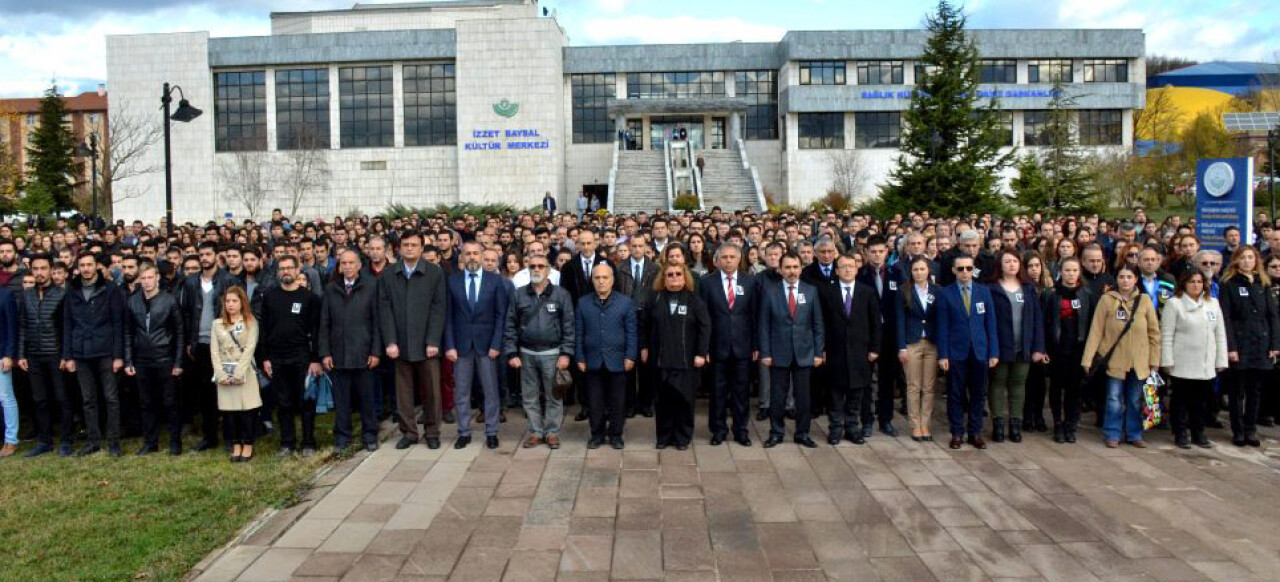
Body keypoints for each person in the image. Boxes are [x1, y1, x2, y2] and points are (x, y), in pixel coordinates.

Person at [379, 231, 447, 450]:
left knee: (432, 392)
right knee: (403, 393)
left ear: (421, 248)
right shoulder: (389, 275)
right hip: (400, 344)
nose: (409, 248)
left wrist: (433, 341)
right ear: (399, 248)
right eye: (405, 245)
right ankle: (408, 432)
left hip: (427, 344)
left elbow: (439, 309)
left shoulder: (434, 273)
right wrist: (390, 341)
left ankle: (432, 432)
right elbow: (385, 309)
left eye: (414, 245)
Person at [1082, 266, 1160, 448]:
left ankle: (1134, 433)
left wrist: (1155, 360)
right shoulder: (1106, 300)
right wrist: (1088, 359)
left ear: (1135, 279)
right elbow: (1096, 331)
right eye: (1121, 277)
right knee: (1113, 399)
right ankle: (1112, 433)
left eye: (1129, 277)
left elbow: (1154, 332)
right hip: (1114, 360)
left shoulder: (1144, 300)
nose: (1125, 280)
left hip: (1139, 360)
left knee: (1135, 399)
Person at [504, 253, 574, 449]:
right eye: (532, 266)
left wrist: (566, 353)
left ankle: (552, 432)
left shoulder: (561, 295)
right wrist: (511, 353)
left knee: (554, 396)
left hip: (552, 353)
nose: (536, 269)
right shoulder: (518, 295)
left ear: (548, 270)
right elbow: (510, 325)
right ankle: (535, 431)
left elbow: (569, 326)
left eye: (540, 266)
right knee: (529, 396)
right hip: (526, 354)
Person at [444, 241, 510, 450]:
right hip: (461, 346)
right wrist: (450, 345)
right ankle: (464, 431)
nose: (472, 257)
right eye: (467, 254)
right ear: (461, 256)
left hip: (488, 345)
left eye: (475, 253)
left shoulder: (495, 281)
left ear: (482, 256)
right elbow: (448, 318)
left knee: (490, 391)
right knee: (461, 391)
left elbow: (501, 316)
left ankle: (491, 431)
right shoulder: (452, 281)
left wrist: (496, 344)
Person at [258, 255, 323, 458]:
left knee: (306, 402)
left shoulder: (310, 298)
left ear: (298, 270)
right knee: (283, 402)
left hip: (302, 357)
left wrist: (315, 359)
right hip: (277, 357)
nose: (285, 271)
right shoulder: (269, 296)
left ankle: (308, 442)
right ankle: (287, 443)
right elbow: (264, 329)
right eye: (282, 268)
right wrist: (265, 357)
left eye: (289, 268)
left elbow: (317, 330)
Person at [64, 252, 126, 457]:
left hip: (106, 352)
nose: (86, 269)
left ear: (96, 266)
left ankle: (114, 442)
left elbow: (118, 323)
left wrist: (118, 356)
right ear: (78, 267)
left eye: (89, 265)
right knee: (88, 399)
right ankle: (93, 441)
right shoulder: (71, 289)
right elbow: (67, 324)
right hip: (81, 353)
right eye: (82, 265)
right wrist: (69, 356)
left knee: (111, 398)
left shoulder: (110, 289)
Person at [759, 252, 825, 448]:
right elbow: (763, 325)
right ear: (779, 269)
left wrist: (818, 352)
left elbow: (818, 324)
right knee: (777, 397)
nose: (792, 271)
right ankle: (776, 432)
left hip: (805, 353)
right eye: (787, 267)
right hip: (778, 353)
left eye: (795, 267)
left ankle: (802, 433)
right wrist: (765, 353)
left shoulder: (811, 291)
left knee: (804, 398)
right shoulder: (770, 291)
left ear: (801, 268)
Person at [319, 249, 382, 453]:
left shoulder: (371, 286)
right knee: (342, 400)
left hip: (364, 353)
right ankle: (342, 436)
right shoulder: (330, 289)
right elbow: (325, 324)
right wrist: (325, 353)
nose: (347, 266)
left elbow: (377, 323)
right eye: (343, 263)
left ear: (359, 265)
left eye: (351, 263)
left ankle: (369, 434)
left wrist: (375, 352)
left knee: (367, 398)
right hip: (338, 354)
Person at [641, 263, 710, 450]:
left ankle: (682, 437)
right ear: (663, 278)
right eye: (669, 275)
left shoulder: (694, 300)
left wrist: (701, 353)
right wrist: (644, 347)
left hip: (686, 361)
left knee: (685, 401)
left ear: (685, 277)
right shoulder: (654, 298)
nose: (674, 278)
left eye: (678, 274)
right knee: (663, 401)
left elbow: (705, 328)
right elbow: (645, 325)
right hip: (661, 360)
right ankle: (663, 436)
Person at [1217, 246, 1280, 447]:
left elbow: (1272, 317)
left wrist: (1274, 344)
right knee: (1237, 391)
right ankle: (1238, 429)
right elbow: (1225, 317)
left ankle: (1251, 428)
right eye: (1242, 258)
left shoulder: (1263, 283)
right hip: (1239, 344)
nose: (1246, 261)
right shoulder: (1228, 284)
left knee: (1255, 391)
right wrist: (1231, 347)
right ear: (1236, 260)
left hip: (1260, 344)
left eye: (1250, 257)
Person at [179, 241, 239, 451]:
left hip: (224, 343)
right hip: (201, 344)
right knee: (206, 394)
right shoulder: (191, 282)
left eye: (208, 254)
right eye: (201, 254)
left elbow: (237, 311)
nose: (204, 258)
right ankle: (209, 437)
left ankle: (231, 438)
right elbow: (186, 313)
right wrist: (189, 341)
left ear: (216, 256)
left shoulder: (229, 280)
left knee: (227, 391)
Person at [936, 254, 998, 450]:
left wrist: (993, 352)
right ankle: (957, 432)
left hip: (980, 351)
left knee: (978, 394)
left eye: (969, 268)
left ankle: (975, 432)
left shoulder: (984, 292)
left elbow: (991, 325)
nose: (965, 272)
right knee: (955, 394)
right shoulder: (945, 294)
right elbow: (942, 327)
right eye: (961, 268)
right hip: (956, 352)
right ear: (954, 270)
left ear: (974, 270)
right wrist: (943, 355)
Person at [698, 242, 757, 447]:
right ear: (717, 260)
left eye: (732, 257)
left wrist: (756, 346)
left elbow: (754, 316)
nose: (729, 261)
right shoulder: (706, 283)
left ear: (739, 259)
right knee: (717, 392)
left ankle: (741, 431)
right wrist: (703, 348)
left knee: (741, 393)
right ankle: (718, 430)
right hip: (717, 347)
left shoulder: (750, 283)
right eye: (724, 257)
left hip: (743, 346)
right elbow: (703, 319)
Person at [1160, 271, 1227, 449]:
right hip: (1182, 361)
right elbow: (1167, 334)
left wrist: (1221, 360)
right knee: (1181, 400)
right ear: (1184, 284)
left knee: (1201, 401)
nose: (1196, 285)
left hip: (1206, 362)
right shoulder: (1174, 304)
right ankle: (1180, 433)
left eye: (1199, 282)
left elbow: (1220, 334)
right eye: (1192, 282)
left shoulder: (1213, 303)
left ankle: (1198, 432)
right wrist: (1167, 360)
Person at [819, 253, 880, 445]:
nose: (847, 270)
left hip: (860, 352)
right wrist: (821, 349)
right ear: (836, 271)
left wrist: (875, 349)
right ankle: (836, 428)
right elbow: (820, 323)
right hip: (834, 351)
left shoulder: (867, 292)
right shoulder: (826, 291)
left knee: (856, 393)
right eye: (843, 266)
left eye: (851, 266)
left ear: (857, 269)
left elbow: (876, 323)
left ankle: (852, 428)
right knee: (835, 393)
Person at [123, 263, 184, 456]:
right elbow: (128, 333)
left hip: (164, 358)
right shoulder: (133, 301)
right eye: (144, 278)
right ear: (139, 280)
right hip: (142, 359)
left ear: (157, 278)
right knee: (146, 402)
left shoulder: (169, 300)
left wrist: (178, 362)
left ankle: (175, 442)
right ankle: (150, 442)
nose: (147, 282)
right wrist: (128, 360)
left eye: (150, 277)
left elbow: (180, 333)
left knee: (170, 401)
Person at [986, 250, 1047, 443]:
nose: (1012, 264)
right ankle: (998, 424)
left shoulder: (1028, 288)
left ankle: (1015, 424)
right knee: (998, 383)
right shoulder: (992, 288)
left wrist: (1039, 347)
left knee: (1018, 385)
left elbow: (1037, 319)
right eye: (1007, 261)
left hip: (1024, 347)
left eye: (1015, 261)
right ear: (1000, 265)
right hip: (1001, 346)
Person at [575, 263, 637, 450]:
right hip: (592, 360)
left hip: (618, 360)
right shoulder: (583, 303)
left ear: (612, 280)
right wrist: (579, 357)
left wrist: (630, 356)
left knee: (618, 401)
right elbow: (579, 332)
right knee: (595, 401)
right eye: (597, 278)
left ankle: (616, 434)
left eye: (605, 277)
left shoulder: (625, 303)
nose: (601, 281)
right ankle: (597, 434)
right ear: (592, 280)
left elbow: (632, 333)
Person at [17, 254, 70, 457]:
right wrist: (21, 354)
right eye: (35, 269)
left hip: (56, 354)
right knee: (39, 399)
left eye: (43, 268)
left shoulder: (61, 294)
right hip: (33, 355)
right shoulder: (26, 295)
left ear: (51, 270)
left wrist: (66, 355)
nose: (39, 273)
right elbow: (23, 325)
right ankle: (44, 441)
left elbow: (67, 327)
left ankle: (65, 440)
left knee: (61, 398)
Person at [1042, 257, 1093, 443]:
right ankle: (1057, 423)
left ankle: (1071, 423)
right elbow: (1044, 323)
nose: (1071, 274)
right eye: (1067, 270)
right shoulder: (1051, 294)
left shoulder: (1086, 294)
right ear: (1060, 272)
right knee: (1056, 388)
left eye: (1074, 271)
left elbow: (1090, 324)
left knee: (1074, 389)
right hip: (1057, 349)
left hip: (1077, 349)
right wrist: (1044, 348)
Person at [210, 286, 260, 462]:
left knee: (248, 411)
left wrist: (239, 372)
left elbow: (250, 348)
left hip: (245, 372)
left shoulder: (250, 322)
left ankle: (248, 444)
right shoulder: (217, 324)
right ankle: (235, 444)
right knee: (230, 414)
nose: (230, 304)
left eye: (234, 301)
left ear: (242, 302)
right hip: (225, 372)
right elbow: (214, 351)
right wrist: (221, 374)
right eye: (227, 301)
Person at [896, 256, 941, 441]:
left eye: (922, 269)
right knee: (913, 386)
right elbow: (900, 320)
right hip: (912, 342)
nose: (919, 273)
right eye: (915, 270)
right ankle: (915, 425)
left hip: (932, 342)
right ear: (911, 271)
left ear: (928, 270)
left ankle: (925, 423)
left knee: (929, 387)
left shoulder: (938, 291)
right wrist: (901, 347)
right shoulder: (903, 291)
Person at [0, 281, 14, 457]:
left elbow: (12, 327)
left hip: (2, 354)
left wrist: (9, 355)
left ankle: (11, 440)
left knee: (6, 398)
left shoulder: (5, 295)